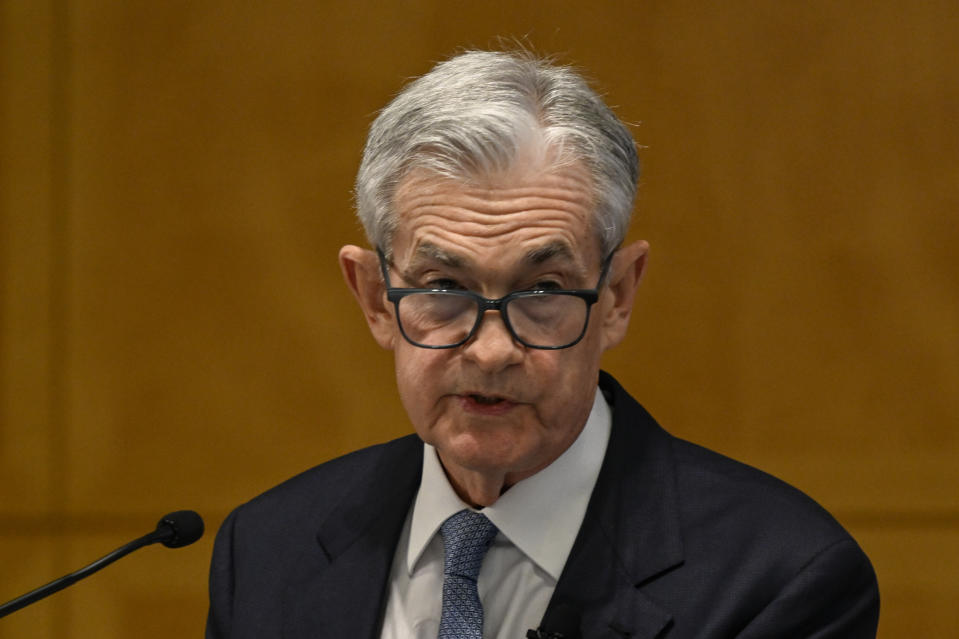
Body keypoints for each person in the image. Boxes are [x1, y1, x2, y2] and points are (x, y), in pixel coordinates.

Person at [206, 50, 879, 639]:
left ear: (615, 295)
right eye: (444, 285)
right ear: (376, 299)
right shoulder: (268, 550)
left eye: (540, 291)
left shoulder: (777, 577)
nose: (491, 350)